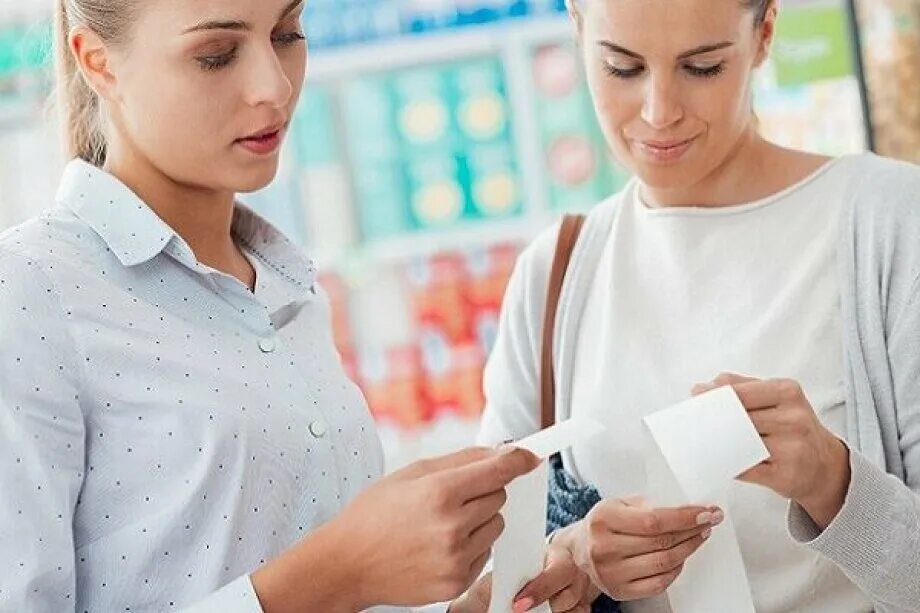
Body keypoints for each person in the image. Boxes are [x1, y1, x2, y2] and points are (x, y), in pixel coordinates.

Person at [0, 1, 596, 611]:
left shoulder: (283, 287)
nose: (274, 86)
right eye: (217, 56)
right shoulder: (28, 293)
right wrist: (343, 570)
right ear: (98, 62)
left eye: (287, 34)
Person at [478, 0, 920, 611]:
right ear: (578, 31)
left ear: (764, 33)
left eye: (703, 67)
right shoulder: (554, 274)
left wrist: (834, 482)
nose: (659, 112)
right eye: (622, 68)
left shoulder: (893, 225)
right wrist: (574, 556)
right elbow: (492, 579)